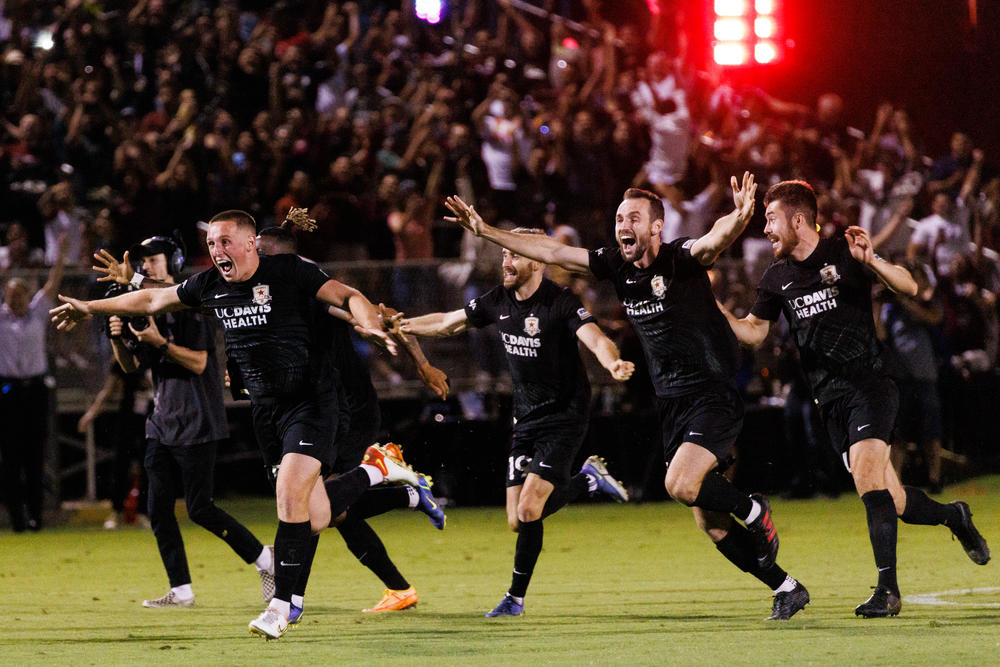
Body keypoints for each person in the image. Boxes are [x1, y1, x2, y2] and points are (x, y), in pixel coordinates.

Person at [439, 175, 811, 622]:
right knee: (710, 522)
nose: (622, 226)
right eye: (618, 218)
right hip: (672, 404)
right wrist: (483, 231)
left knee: (681, 485)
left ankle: (754, 509)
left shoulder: (679, 258)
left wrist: (739, 217)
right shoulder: (615, 264)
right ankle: (787, 587)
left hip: (711, 394)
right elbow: (554, 253)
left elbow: (713, 241)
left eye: (633, 218)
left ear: (657, 227)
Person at [50, 210, 426, 640]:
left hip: (312, 404)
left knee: (288, 497)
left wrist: (370, 325)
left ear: (250, 244)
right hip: (266, 412)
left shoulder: (288, 271)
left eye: (225, 242)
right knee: (316, 515)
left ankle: (281, 608)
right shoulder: (210, 284)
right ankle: (378, 470)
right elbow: (153, 300)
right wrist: (89, 307)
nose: (217, 251)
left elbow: (350, 296)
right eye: (211, 244)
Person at [718, 180, 990, 618]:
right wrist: (719, 311)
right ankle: (954, 516)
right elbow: (754, 331)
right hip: (831, 403)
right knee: (896, 502)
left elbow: (911, 287)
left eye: (770, 218)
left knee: (867, 478)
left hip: (870, 387)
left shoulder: (845, 252)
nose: (765, 228)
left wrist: (874, 262)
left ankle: (888, 591)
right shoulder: (776, 277)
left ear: (798, 219)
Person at [399, 227, 635, 617]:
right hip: (525, 417)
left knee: (529, 510)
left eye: (515, 254)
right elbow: (448, 322)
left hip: (565, 415)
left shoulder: (559, 301)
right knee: (515, 520)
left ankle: (514, 599)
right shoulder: (498, 300)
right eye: (505, 254)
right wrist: (406, 326)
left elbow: (593, 337)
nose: (506, 261)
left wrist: (612, 361)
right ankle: (588, 480)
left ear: (538, 259)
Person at [255, 224, 447, 620]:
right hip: (312, 408)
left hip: (346, 407)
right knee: (330, 510)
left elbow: (385, 316)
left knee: (311, 505)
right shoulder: (266, 288)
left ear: (283, 255)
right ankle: (399, 572)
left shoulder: (310, 285)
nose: (253, 257)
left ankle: (292, 601)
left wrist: (423, 364)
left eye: (262, 251)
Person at [104, 234, 273, 607]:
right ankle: (181, 589)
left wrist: (159, 341)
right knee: (157, 507)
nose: (145, 265)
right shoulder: (148, 309)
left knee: (200, 508)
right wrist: (118, 339)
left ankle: (265, 559)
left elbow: (199, 362)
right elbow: (131, 366)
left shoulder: (191, 306)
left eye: (153, 258)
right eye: (143, 259)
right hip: (163, 421)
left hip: (197, 418)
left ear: (173, 260)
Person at [1, 235, 66, 532]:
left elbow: (53, 283)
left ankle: (36, 517)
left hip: (35, 390)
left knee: (34, 456)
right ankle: (17, 520)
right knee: (10, 458)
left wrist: (61, 254)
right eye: (10, 295)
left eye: (20, 295)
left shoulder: (37, 313)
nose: (15, 300)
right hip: (7, 390)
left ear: (28, 296)